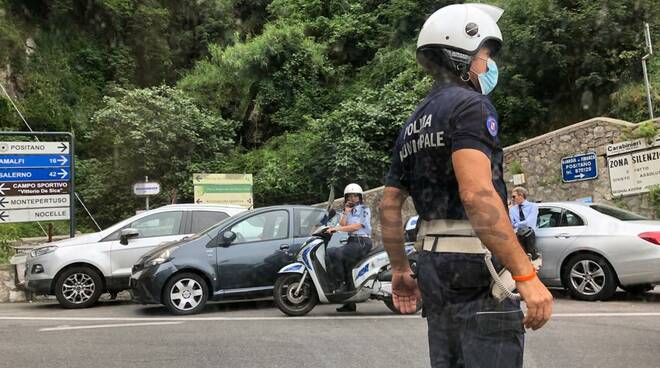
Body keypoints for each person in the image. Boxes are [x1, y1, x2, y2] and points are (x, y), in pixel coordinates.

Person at [379, 4, 553, 367]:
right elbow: (476, 193)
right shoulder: (471, 106)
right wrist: (524, 274)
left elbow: (389, 204)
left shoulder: (414, 122)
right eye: (484, 56)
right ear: (462, 54)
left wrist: (400, 271)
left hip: (432, 269)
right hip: (477, 268)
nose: (488, 66)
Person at [327, 183, 373, 312]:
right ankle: (350, 303)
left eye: (355, 196)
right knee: (348, 269)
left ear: (360, 197)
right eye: (350, 196)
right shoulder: (349, 210)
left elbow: (357, 227)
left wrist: (336, 229)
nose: (352, 198)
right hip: (352, 241)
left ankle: (340, 284)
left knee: (334, 253)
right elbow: (342, 223)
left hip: (361, 241)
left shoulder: (364, 209)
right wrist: (346, 212)